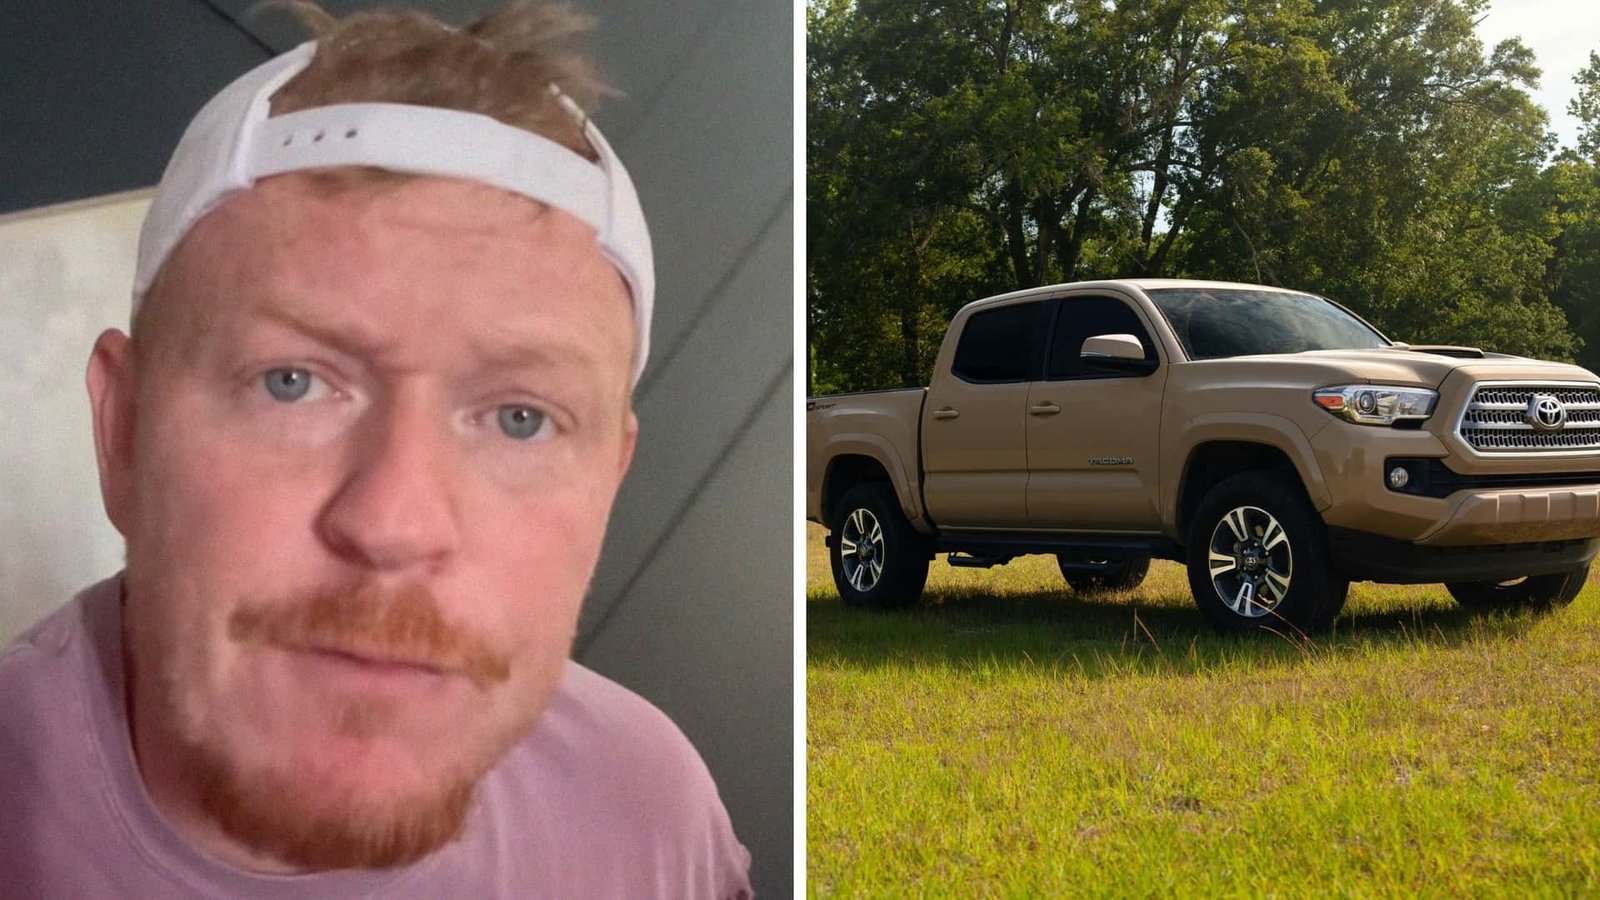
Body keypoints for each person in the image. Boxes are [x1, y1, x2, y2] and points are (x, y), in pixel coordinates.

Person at [0, 2, 753, 897]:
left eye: (521, 418)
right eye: (292, 382)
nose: (394, 522)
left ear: (609, 481)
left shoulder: (648, 810)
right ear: (121, 431)